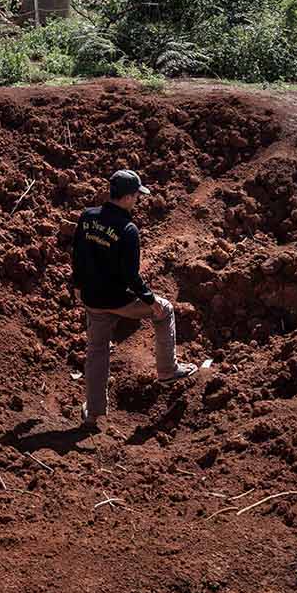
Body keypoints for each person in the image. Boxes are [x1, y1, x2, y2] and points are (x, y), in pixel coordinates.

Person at [71, 170, 197, 429]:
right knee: (166, 310)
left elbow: (78, 256)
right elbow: (130, 275)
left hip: (92, 298)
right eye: (137, 196)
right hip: (119, 300)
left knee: (96, 351)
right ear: (128, 197)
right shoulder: (128, 230)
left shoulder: (87, 217)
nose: (138, 200)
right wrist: (151, 301)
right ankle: (167, 371)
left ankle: (92, 414)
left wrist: (77, 286)